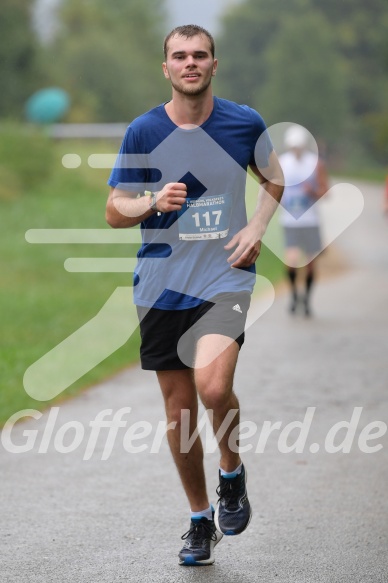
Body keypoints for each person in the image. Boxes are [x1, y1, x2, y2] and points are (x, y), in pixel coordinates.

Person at [106, 24, 283, 566]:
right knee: (180, 412)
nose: (190, 63)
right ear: (166, 68)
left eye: (199, 55)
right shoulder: (143, 131)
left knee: (213, 387)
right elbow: (115, 210)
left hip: (223, 277)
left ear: (213, 64)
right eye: (179, 56)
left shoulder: (242, 122)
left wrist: (256, 229)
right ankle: (200, 520)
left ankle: (231, 472)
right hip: (161, 284)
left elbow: (274, 178)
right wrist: (152, 201)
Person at [278, 125, 329, 317]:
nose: (296, 151)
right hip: (290, 221)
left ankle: (307, 300)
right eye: (293, 147)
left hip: (310, 220)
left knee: (310, 264)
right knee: (291, 261)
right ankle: (293, 295)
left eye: (299, 147)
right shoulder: (282, 163)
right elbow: (273, 189)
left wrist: (313, 192)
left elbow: (326, 191)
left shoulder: (315, 163)